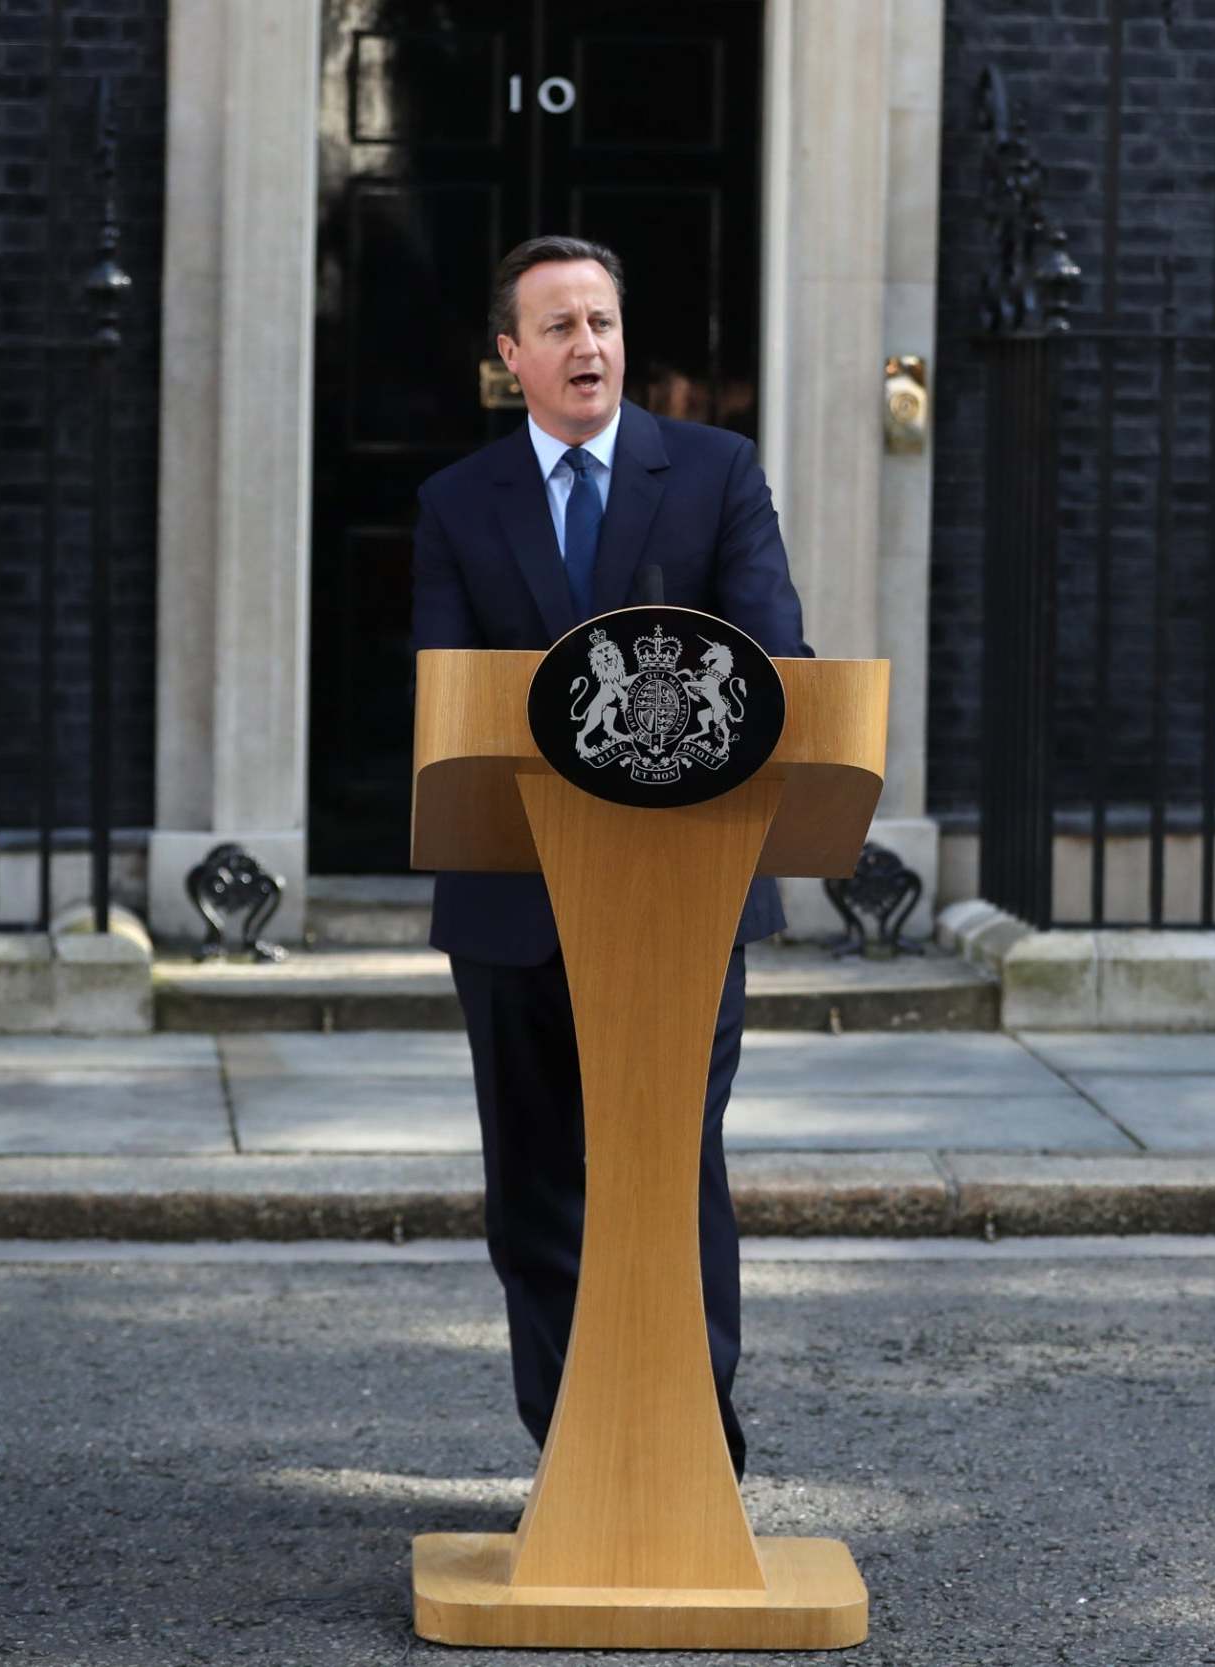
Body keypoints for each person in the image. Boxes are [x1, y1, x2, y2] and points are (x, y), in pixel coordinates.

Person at [409, 234, 808, 1476]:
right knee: (535, 1192)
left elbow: (779, 665)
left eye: (604, 322)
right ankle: (573, 1454)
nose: (589, 346)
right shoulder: (455, 503)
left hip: (684, 894)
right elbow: (449, 699)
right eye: (561, 327)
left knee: (670, 1172)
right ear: (510, 356)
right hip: (515, 898)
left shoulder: (713, 472)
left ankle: (696, 1457)